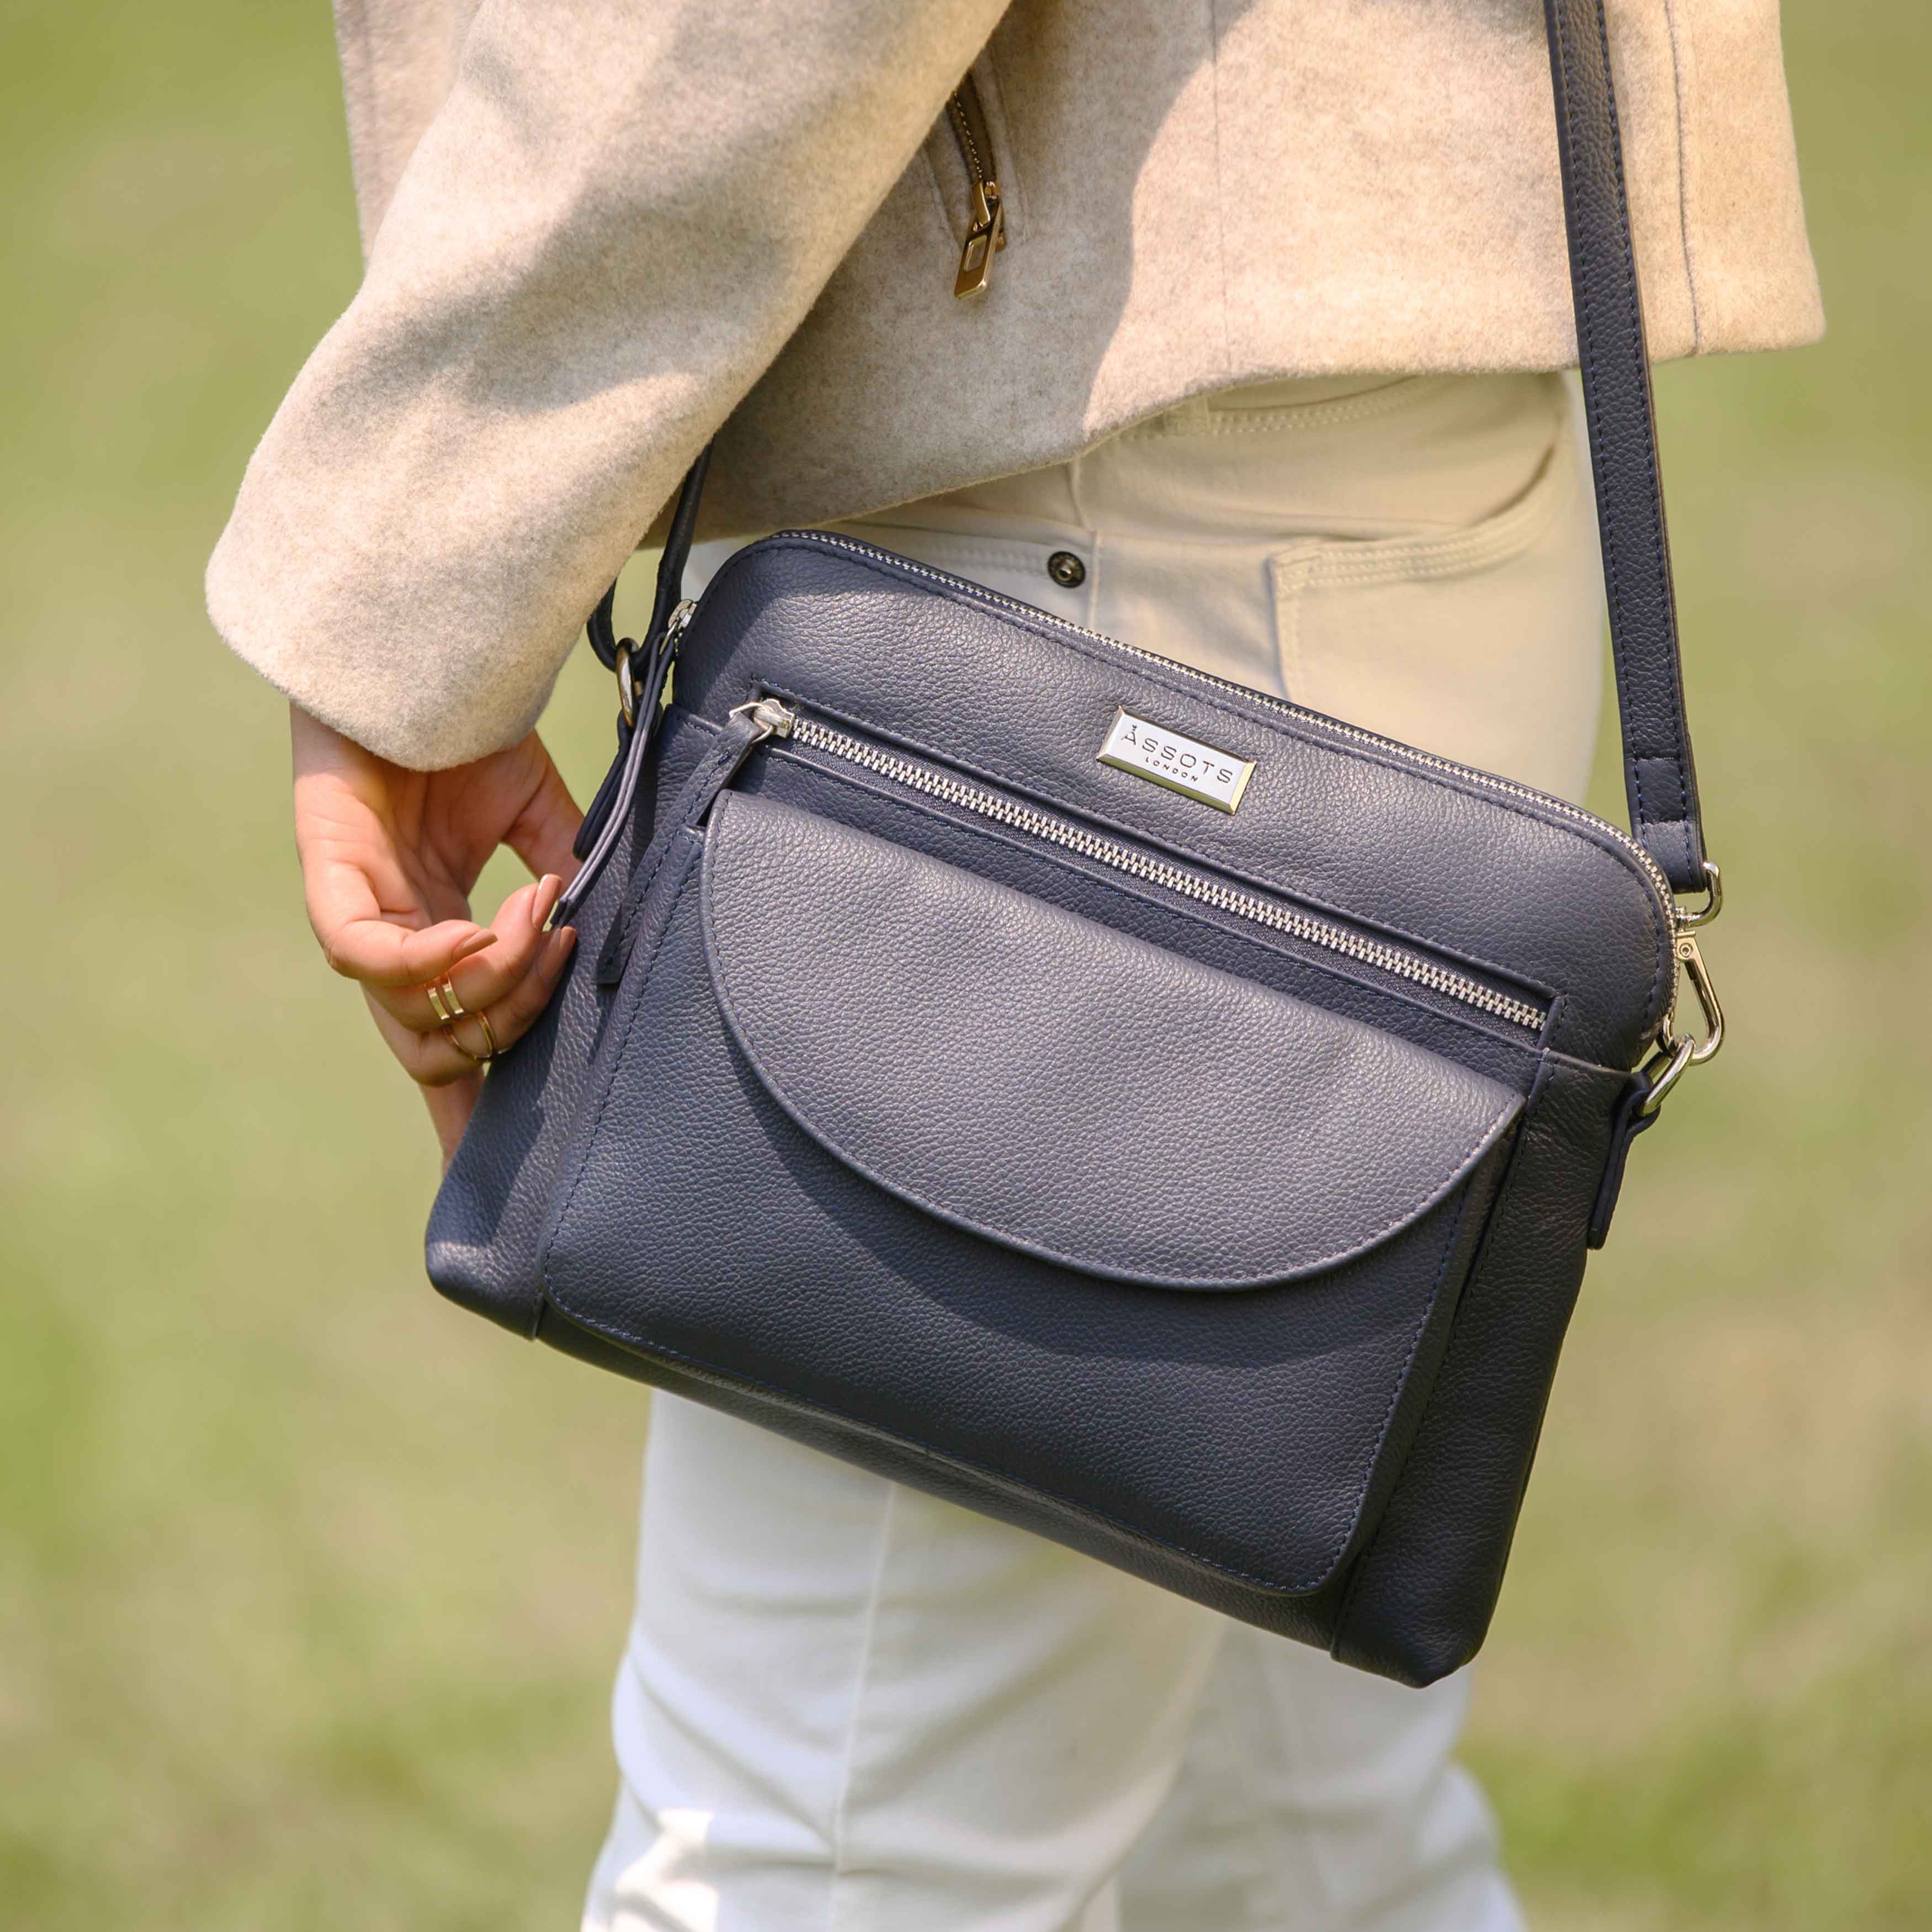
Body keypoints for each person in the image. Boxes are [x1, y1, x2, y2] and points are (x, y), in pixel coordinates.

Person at [209, 3, 1820, 1924]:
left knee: (814, 1860)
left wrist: (419, 566)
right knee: (1286, 1860)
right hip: (1332, 429)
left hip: (1094, 455)